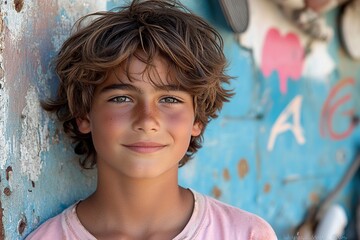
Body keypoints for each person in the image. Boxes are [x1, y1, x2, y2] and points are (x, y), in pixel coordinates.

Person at [26, 0, 277, 239]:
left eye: (169, 99)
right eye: (121, 98)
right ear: (84, 113)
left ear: (197, 119)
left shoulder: (246, 234)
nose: (147, 120)